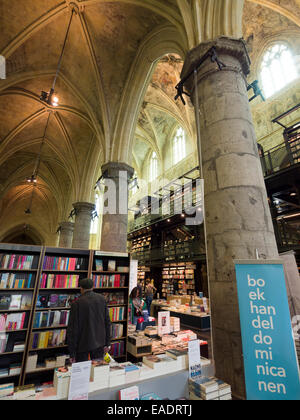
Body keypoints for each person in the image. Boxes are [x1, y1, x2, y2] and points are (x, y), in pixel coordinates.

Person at [66, 278, 111, 363]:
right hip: (100, 343)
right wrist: (107, 342)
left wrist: (72, 353)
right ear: (92, 287)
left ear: (81, 289)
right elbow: (107, 322)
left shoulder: (76, 303)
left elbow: (72, 329)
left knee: (83, 372)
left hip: (82, 345)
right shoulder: (102, 299)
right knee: (97, 370)